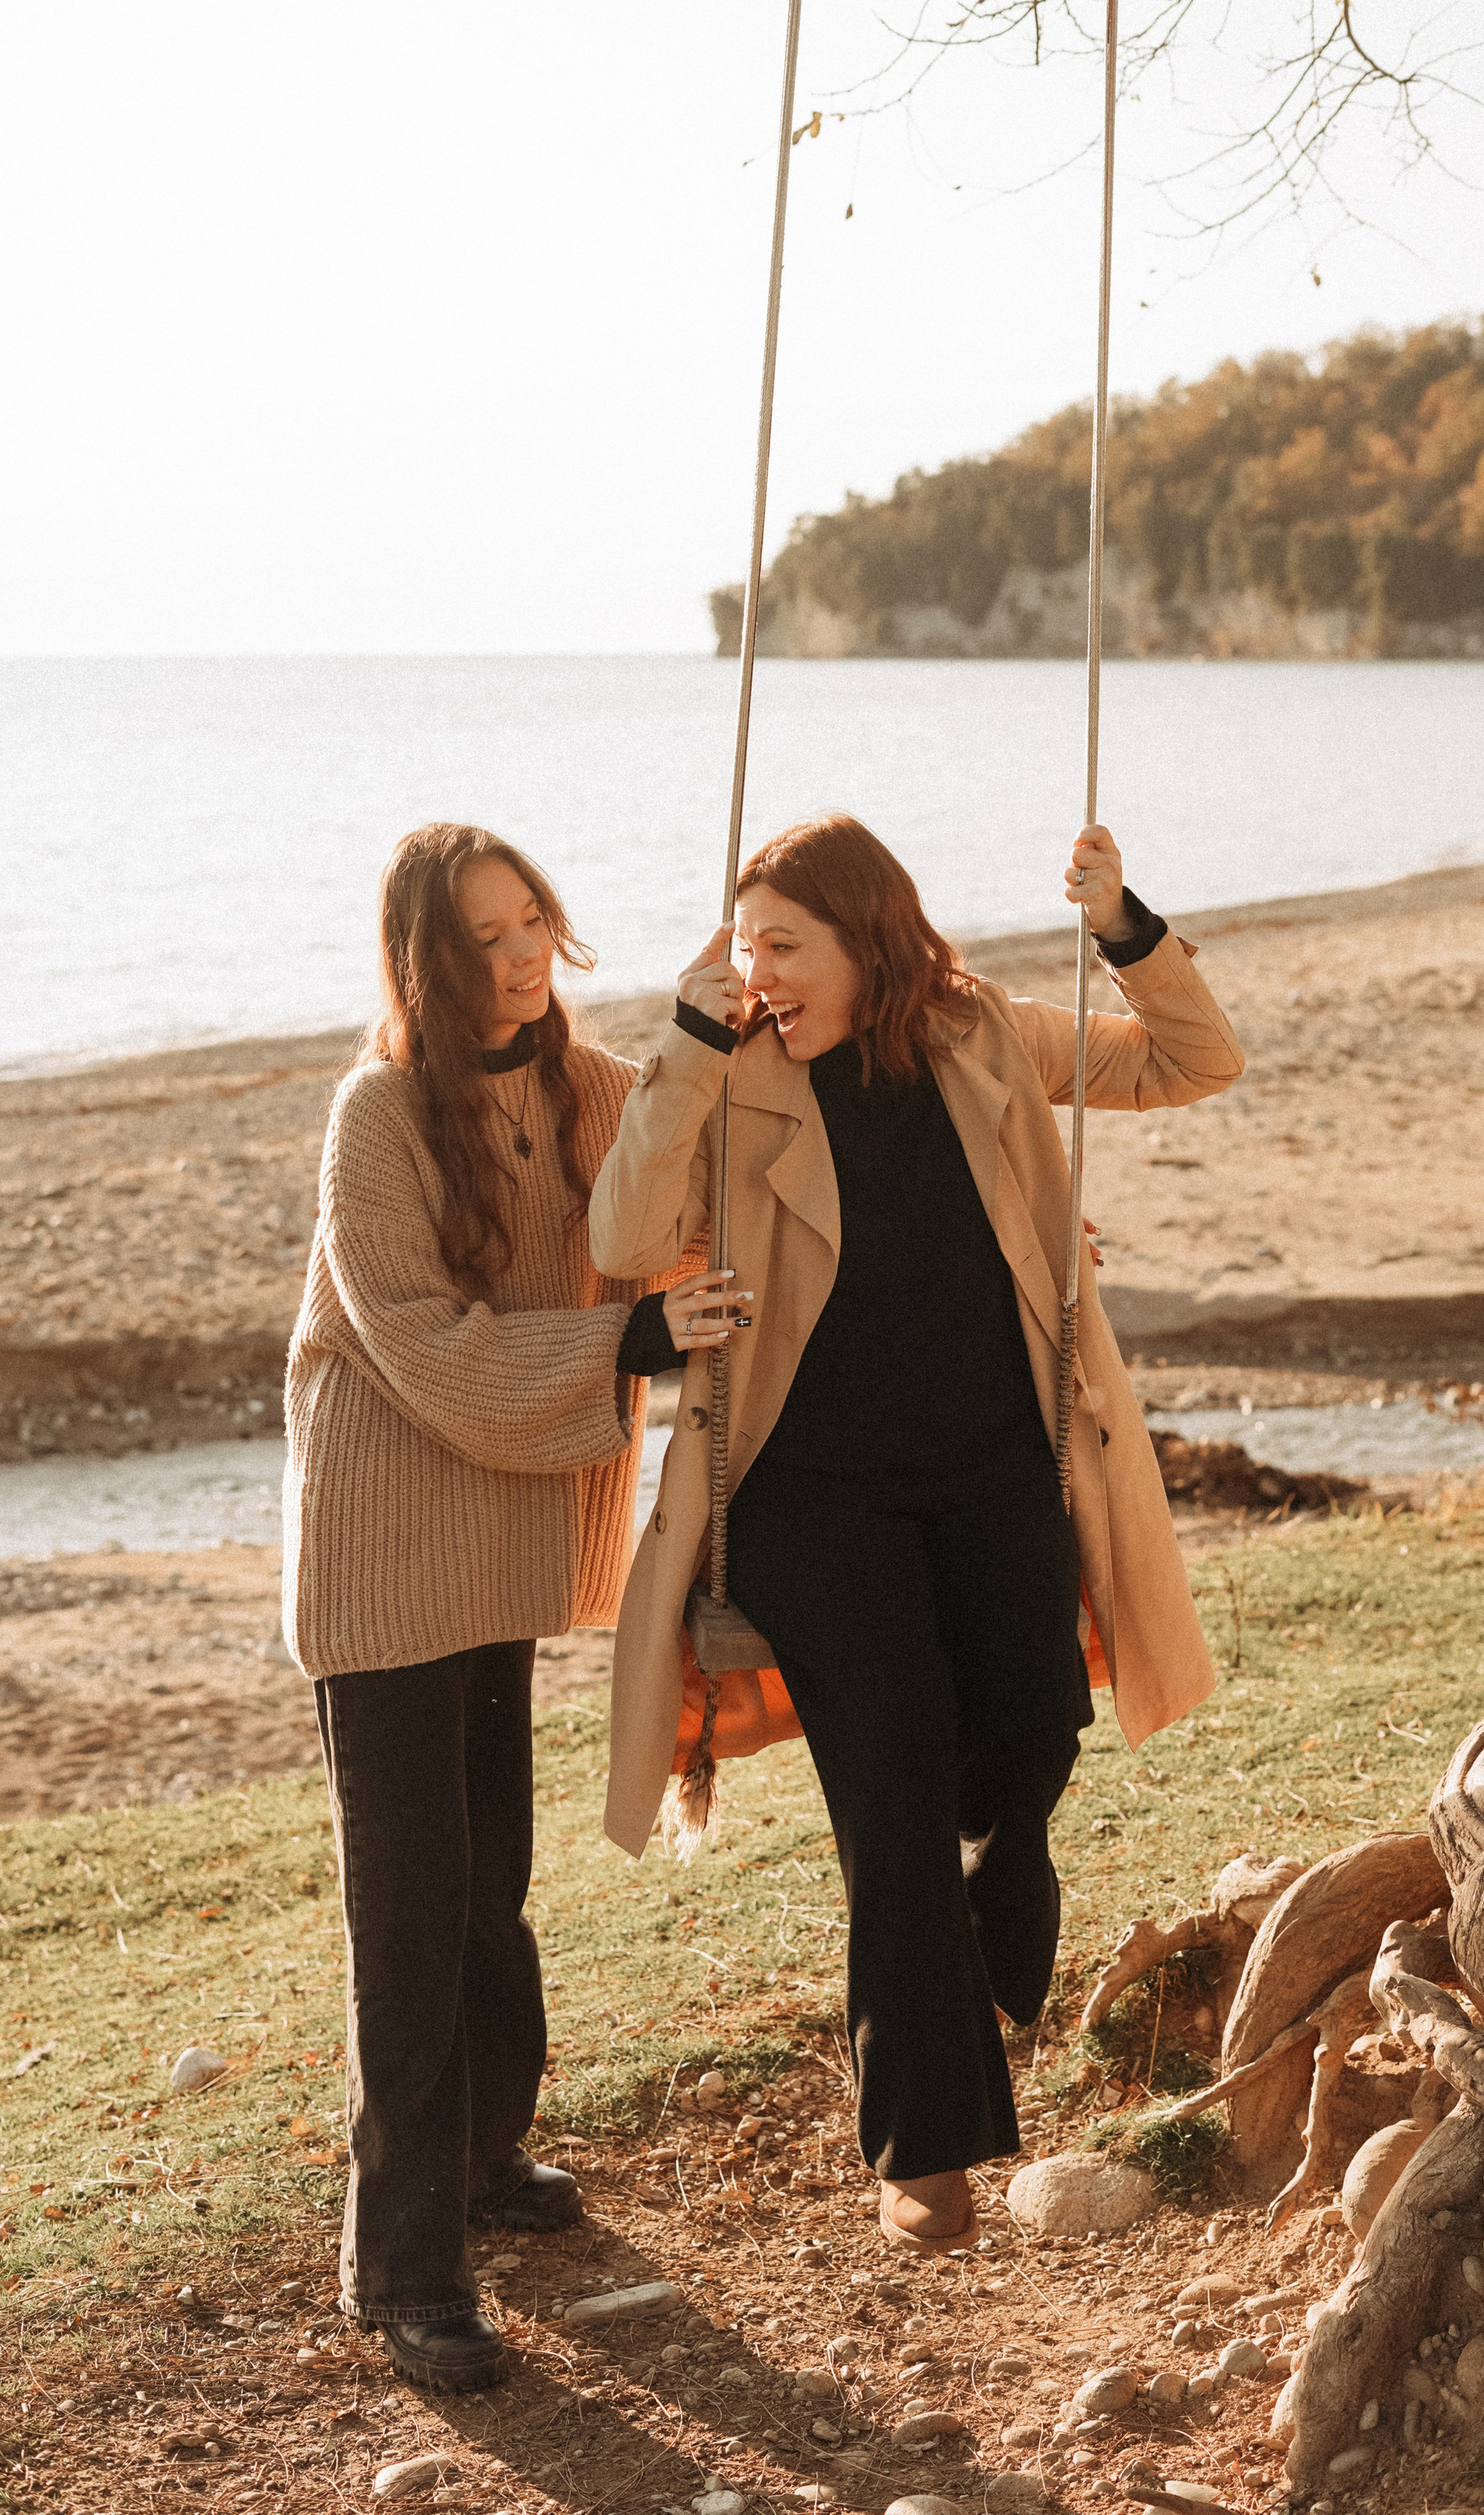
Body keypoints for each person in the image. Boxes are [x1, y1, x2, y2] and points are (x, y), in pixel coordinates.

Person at [588, 813, 1245, 2253]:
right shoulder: (728, 1074)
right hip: (804, 1495)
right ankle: (925, 2155)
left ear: (870, 939)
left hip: (994, 1465)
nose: (760, 972)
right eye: (745, 945)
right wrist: (691, 1045)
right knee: (887, 1788)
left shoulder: (984, 1035)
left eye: (786, 945)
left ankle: (1004, 1877)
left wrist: (1122, 924)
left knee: (1031, 1739)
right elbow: (625, 1235)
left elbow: (1194, 1060)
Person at [282, 821, 742, 2390]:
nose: (518, 951)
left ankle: (484, 2161)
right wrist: (630, 1350)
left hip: (495, 1550)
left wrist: (709, 1032)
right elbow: (418, 1341)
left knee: (493, 1887)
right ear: (423, 956)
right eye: (480, 935)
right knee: (409, 1920)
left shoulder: (587, 1087)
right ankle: (400, 2265)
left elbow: (685, 1189)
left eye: (528, 916)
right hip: (382, 1558)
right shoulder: (372, 1118)